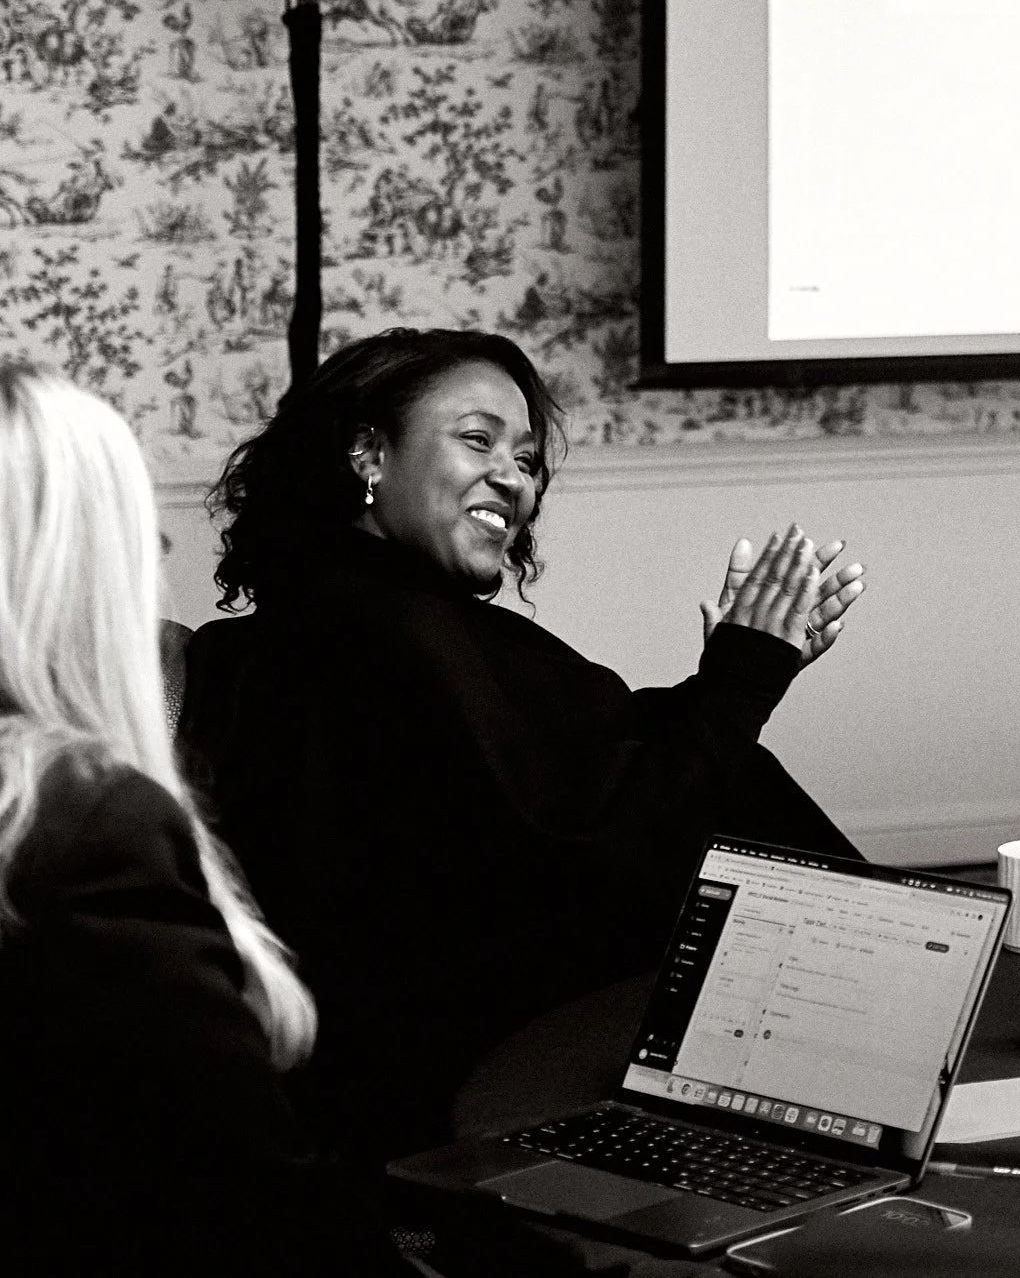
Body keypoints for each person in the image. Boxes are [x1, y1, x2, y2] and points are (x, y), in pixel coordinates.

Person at [177, 328, 867, 1172]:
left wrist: (722, 682)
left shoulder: (326, 619)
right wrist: (740, 679)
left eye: (530, 460)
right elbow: (592, 844)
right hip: (460, 1113)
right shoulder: (392, 633)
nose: (515, 475)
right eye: (478, 439)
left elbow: (547, 771)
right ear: (368, 451)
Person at [0, 361, 410, 1275]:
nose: (161, 553)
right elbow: (262, 1199)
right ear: (81, 563)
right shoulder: (82, 823)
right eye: (137, 530)